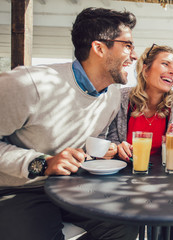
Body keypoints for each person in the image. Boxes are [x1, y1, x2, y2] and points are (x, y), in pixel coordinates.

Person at [0, 7, 139, 240]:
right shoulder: (29, 84)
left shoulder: (112, 96)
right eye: (127, 45)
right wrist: (43, 163)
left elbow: (86, 140)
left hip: (71, 185)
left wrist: (105, 149)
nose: (134, 55)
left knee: (125, 226)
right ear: (99, 48)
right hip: (18, 190)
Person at [105, 44, 173, 240]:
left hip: (161, 180)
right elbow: (109, 137)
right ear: (145, 68)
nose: (172, 71)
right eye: (165, 64)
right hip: (124, 176)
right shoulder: (121, 97)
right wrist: (118, 147)